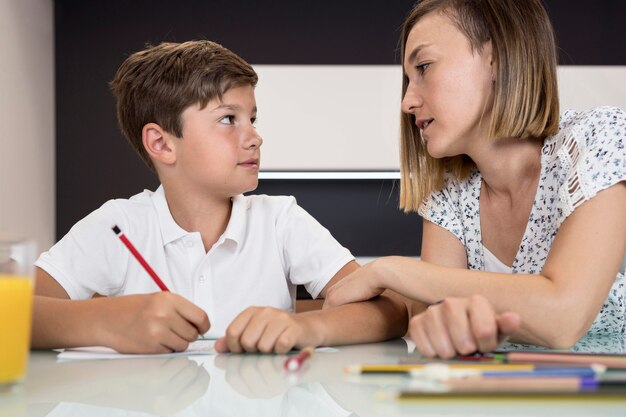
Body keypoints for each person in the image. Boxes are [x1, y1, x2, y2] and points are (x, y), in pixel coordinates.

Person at [32, 40, 407, 354]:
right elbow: (10, 314)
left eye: (252, 119)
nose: (254, 137)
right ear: (162, 143)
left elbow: (390, 310)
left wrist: (305, 329)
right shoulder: (117, 225)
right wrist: (108, 321)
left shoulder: (280, 220)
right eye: (229, 119)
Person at [325, 0, 626, 358]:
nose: (407, 102)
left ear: (494, 59)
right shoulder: (450, 190)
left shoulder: (600, 137)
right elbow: (433, 323)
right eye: (408, 79)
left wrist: (392, 271)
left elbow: (562, 316)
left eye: (423, 67)